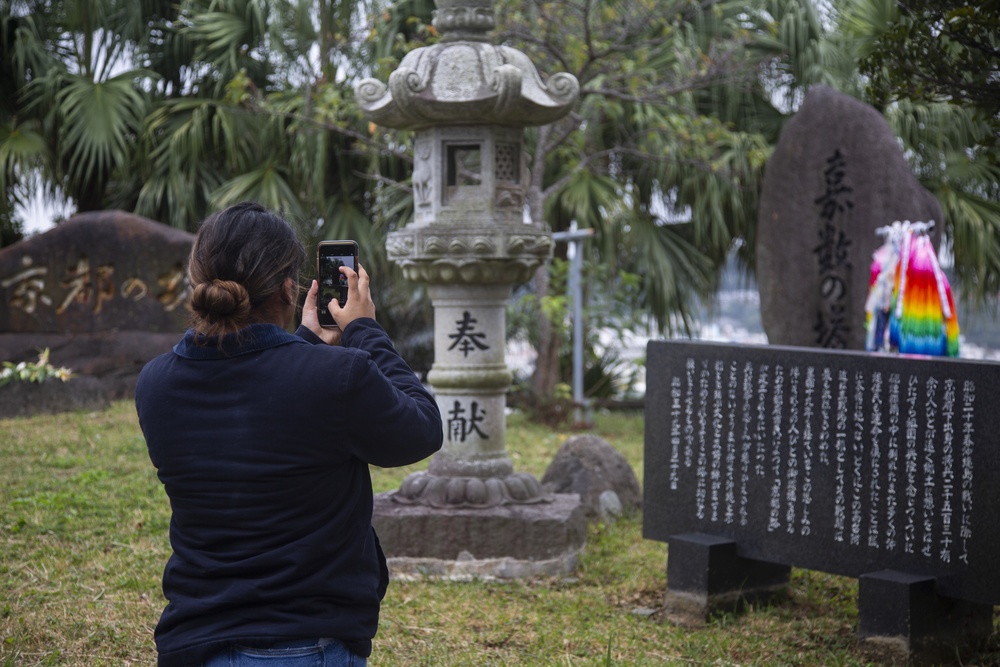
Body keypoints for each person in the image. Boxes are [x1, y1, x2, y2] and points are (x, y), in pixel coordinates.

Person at [135, 202, 442, 667]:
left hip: (193, 642)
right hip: (306, 644)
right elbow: (421, 429)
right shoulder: (337, 378)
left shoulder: (156, 382)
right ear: (287, 287)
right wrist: (363, 329)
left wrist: (306, 343)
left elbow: (262, 399)